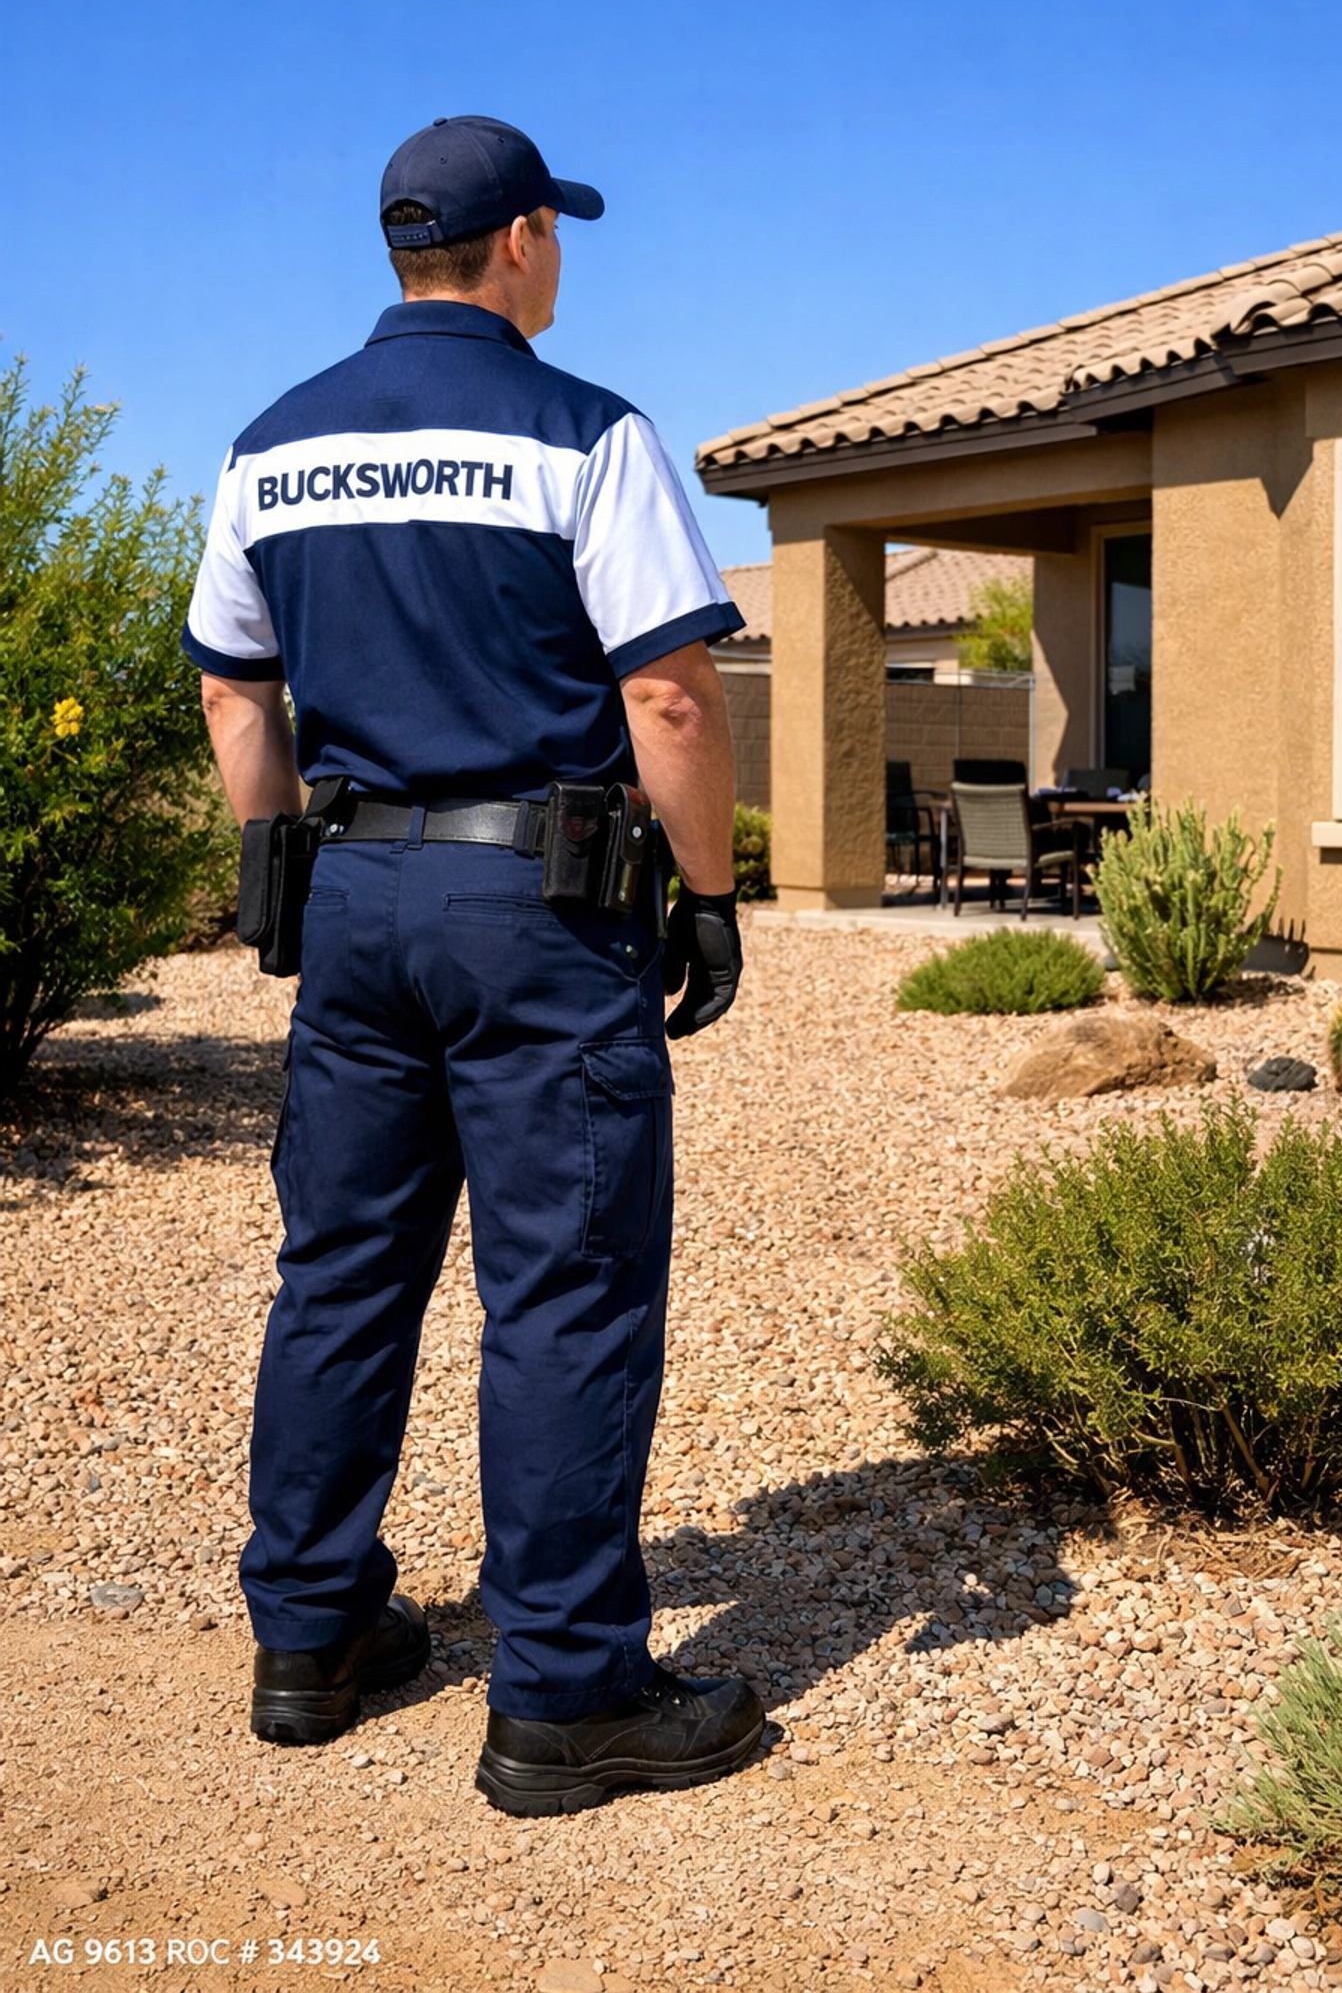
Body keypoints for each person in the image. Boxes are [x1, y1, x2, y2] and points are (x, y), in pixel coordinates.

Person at [184, 114, 763, 1817]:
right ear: (517, 243)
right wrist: (711, 898)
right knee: (564, 1293)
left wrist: (279, 867)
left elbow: (237, 690)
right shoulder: (583, 433)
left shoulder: (269, 446)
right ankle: (567, 1701)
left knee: (343, 1270)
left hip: (354, 905)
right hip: (540, 911)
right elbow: (667, 693)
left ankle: (313, 1640)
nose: (560, 256)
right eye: (556, 232)